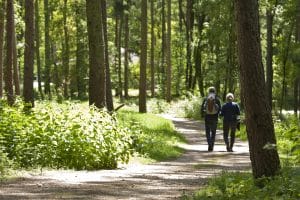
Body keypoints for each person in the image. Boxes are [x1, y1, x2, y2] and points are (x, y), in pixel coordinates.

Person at [201, 87, 221, 152]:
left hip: (207, 117)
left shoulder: (206, 99)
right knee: (213, 132)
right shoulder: (217, 99)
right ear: (214, 92)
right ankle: (212, 145)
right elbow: (220, 109)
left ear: (209, 92)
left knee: (207, 132)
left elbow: (202, 108)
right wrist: (218, 115)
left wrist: (202, 115)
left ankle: (209, 143)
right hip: (215, 117)